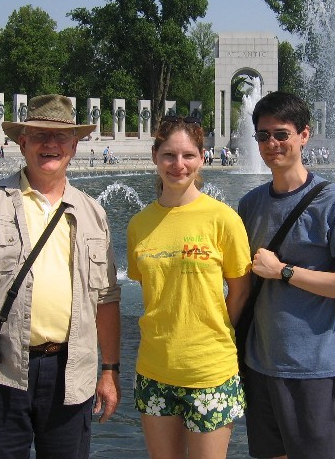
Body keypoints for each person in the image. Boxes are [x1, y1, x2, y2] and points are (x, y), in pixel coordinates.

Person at [0, 95, 122, 458]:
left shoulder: (93, 213)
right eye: (38, 135)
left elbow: (107, 298)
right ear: (22, 143)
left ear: (74, 145)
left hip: (71, 375)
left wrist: (110, 371)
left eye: (60, 137)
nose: (50, 144)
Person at [238, 91, 335, 459]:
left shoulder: (333, 201)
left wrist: (285, 272)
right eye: (263, 136)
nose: (271, 144)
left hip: (314, 369)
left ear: (304, 135)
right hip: (260, 365)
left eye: (281, 134)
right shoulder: (250, 204)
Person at [127, 115, 251, 459]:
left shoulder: (223, 218)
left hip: (210, 369)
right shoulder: (139, 224)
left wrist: (213, 328)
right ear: (155, 156)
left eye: (188, 156)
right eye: (169, 155)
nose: (178, 165)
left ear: (202, 157)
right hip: (154, 367)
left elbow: (240, 289)